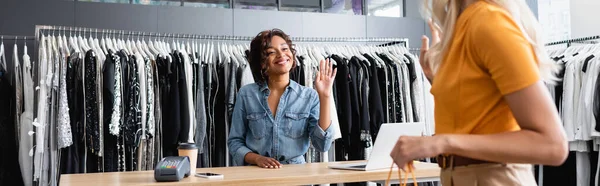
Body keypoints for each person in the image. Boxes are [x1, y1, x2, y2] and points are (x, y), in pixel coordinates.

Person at [389, 0, 569, 185]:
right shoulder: (465, 24)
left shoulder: (488, 22)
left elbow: (552, 145)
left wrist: (441, 143)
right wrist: (438, 81)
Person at [227, 29, 337, 169]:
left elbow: (323, 145)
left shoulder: (309, 96)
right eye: (271, 52)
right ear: (261, 62)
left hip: (296, 178)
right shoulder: (246, 94)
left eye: (285, 49)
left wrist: (325, 96)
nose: (281, 54)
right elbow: (235, 142)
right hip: (257, 176)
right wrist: (257, 159)